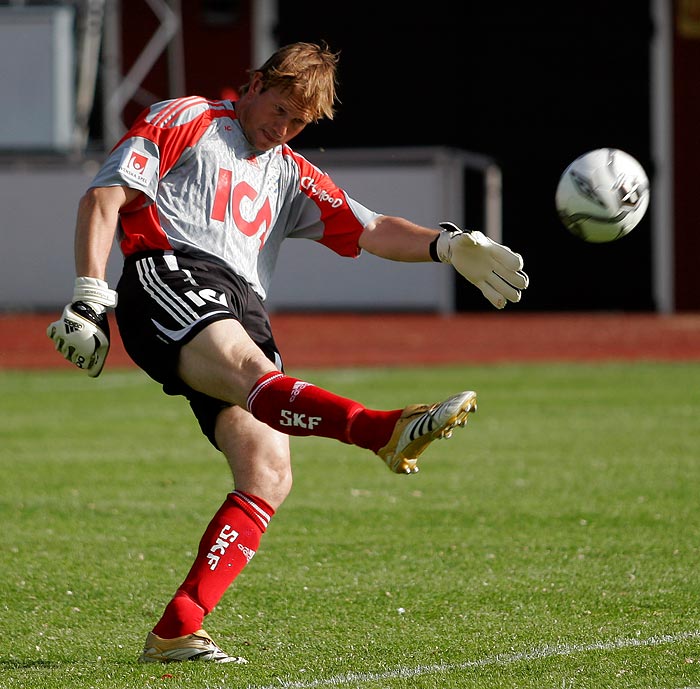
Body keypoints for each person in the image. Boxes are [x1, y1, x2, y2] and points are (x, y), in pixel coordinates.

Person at [47, 41, 528, 664]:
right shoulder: (188, 117)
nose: (283, 128)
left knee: (269, 472)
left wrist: (448, 244)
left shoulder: (290, 171)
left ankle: (177, 628)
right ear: (252, 84)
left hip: (240, 305)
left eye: (299, 122)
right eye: (278, 110)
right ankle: (381, 429)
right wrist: (90, 294)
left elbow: (373, 227)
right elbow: (106, 196)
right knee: (253, 375)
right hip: (170, 273)